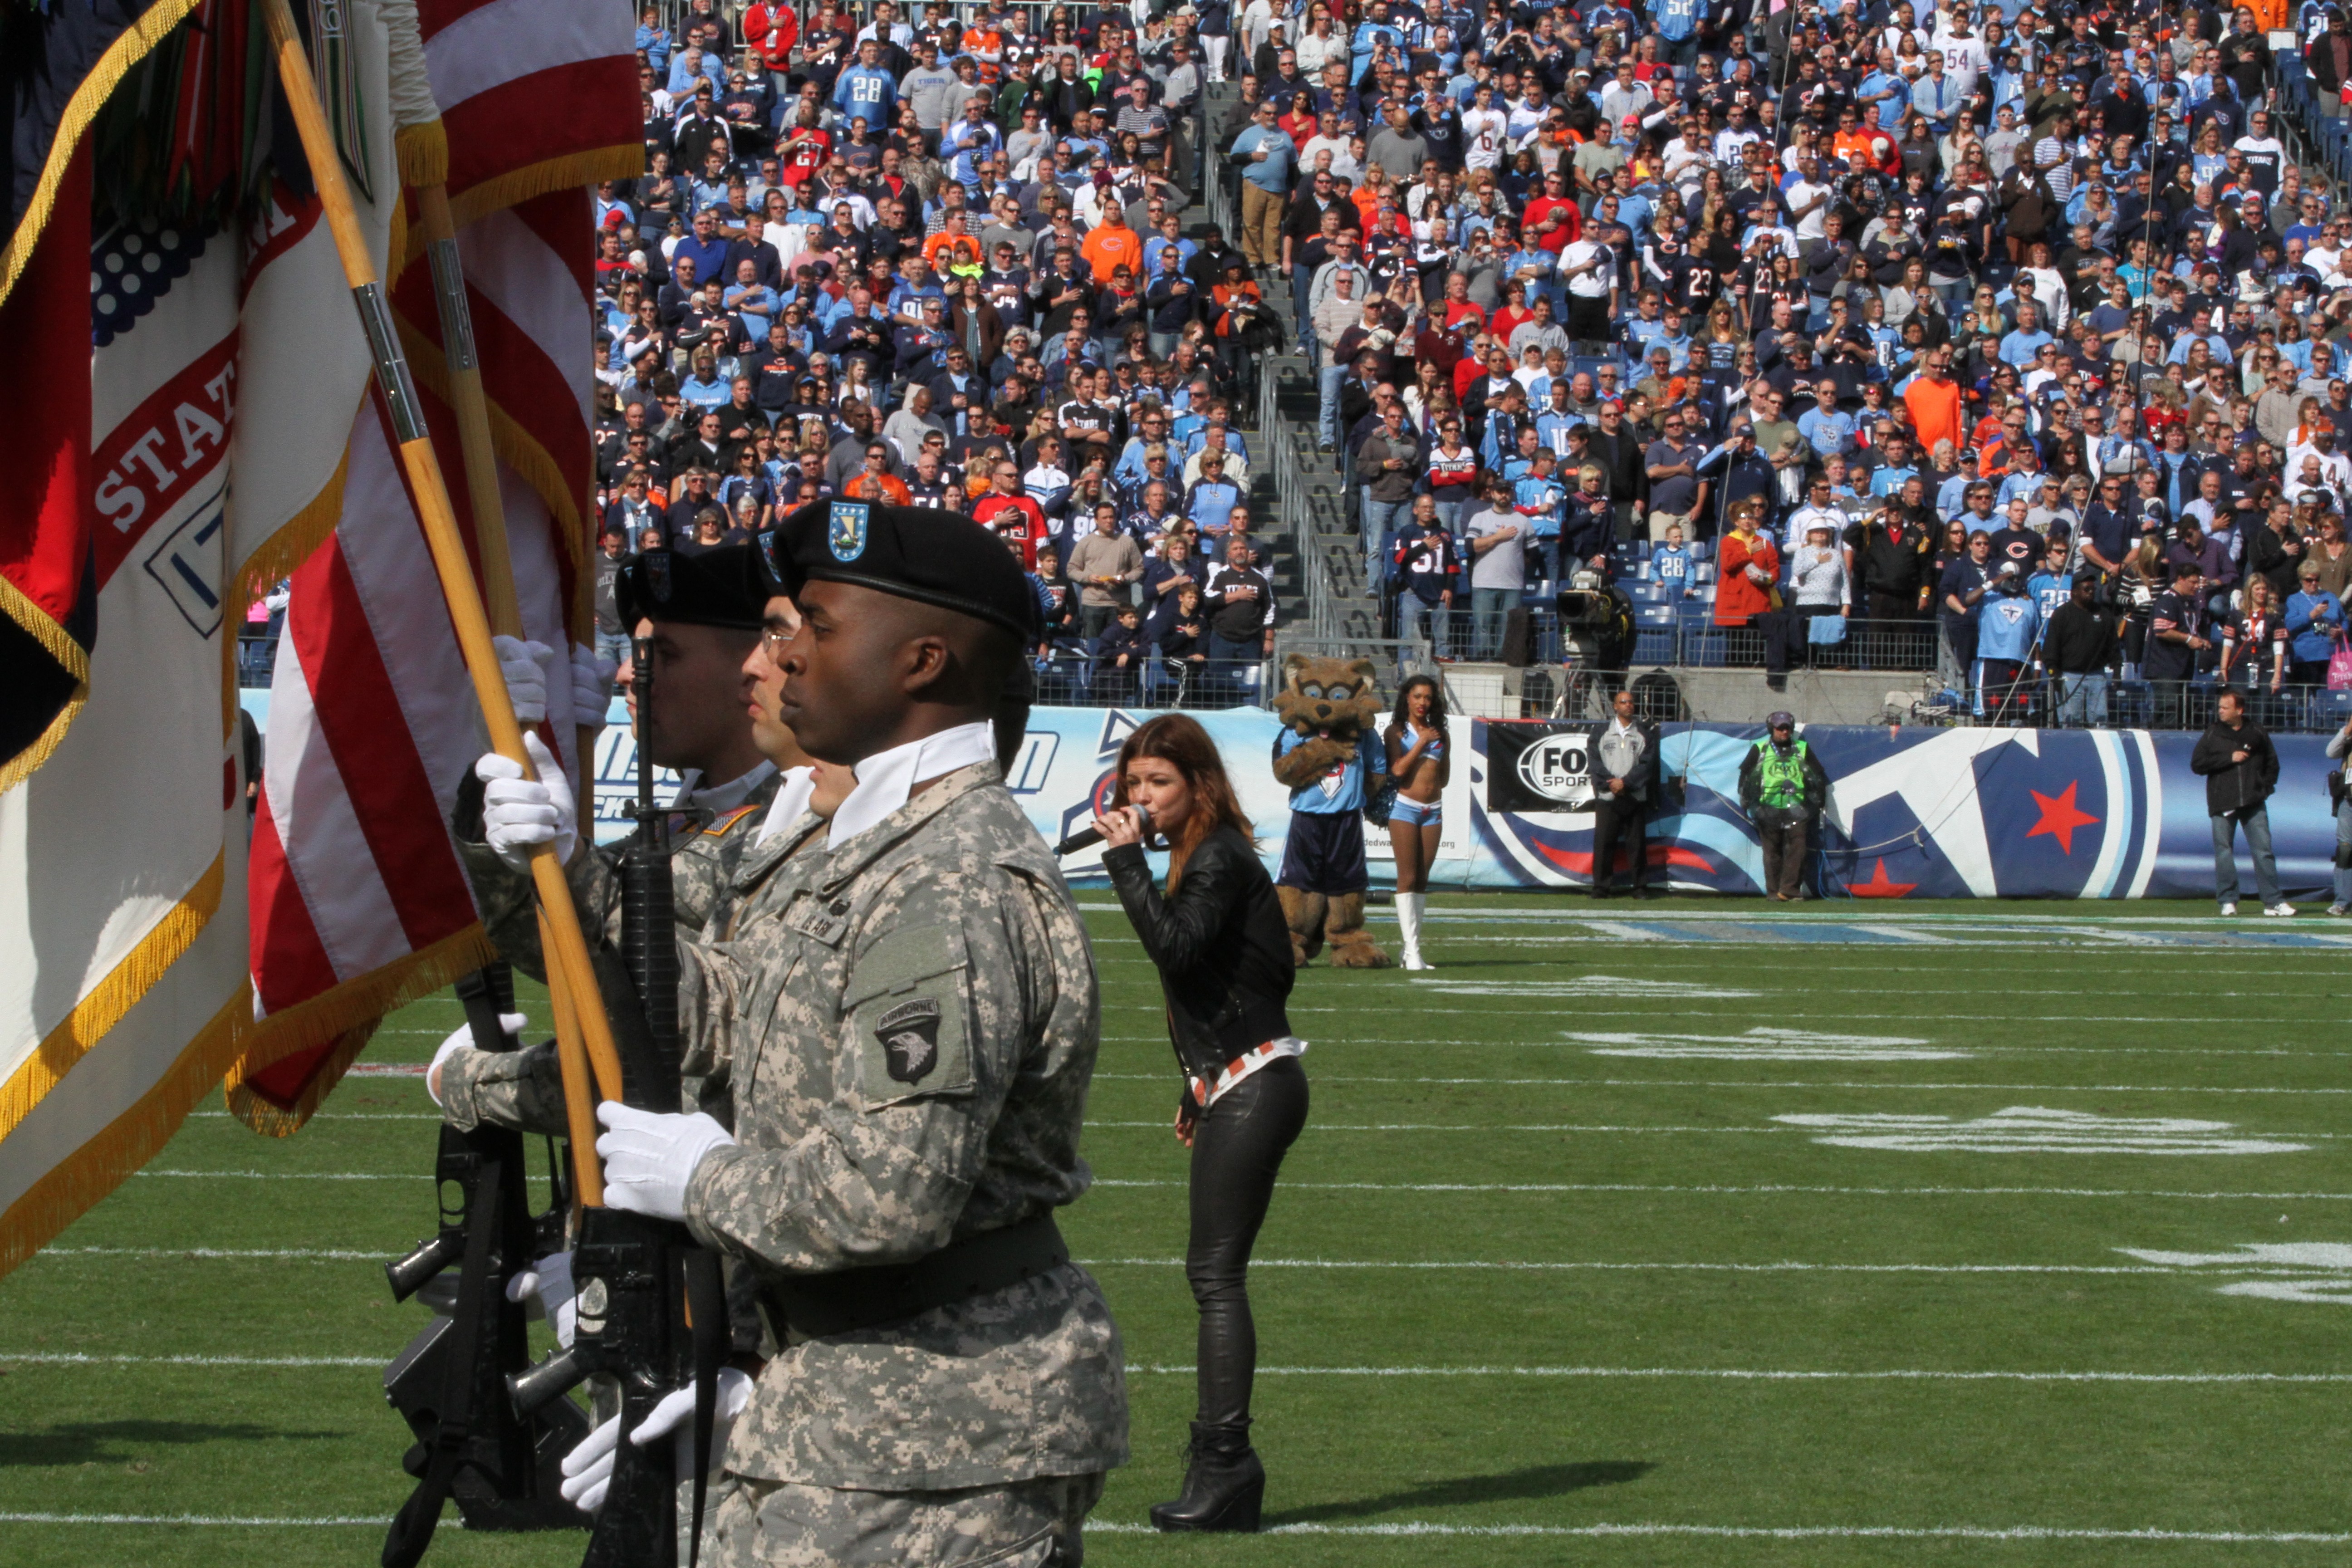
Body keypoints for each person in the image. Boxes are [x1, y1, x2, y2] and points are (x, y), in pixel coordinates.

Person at [447, 500, 1129, 1564]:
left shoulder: (941, 880)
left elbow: (884, 1194)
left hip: (933, 1427)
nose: (785, 651)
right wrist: (536, 857)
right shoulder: (871, 850)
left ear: (920, 660)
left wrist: (700, 1175)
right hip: (843, 1396)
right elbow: (710, 1009)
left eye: (815, 622)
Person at [1093, 714, 1306, 1533]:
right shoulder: (1203, 854)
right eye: (1133, 783)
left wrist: (1119, 861)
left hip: (1257, 1082)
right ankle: (1224, 1470)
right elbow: (1239, 977)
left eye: (1159, 784)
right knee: (1210, 1274)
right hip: (1239, 1078)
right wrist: (1198, 1076)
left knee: (1214, 1276)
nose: (1141, 798)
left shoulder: (1214, 856)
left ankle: (1224, 1465)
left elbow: (1176, 951)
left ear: (1199, 787)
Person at [2191, 686, 2293, 918]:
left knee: (2263, 851)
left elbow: (2272, 764)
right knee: (2224, 852)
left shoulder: (2257, 731)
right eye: (2219, 708)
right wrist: (2229, 758)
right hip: (2222, 802)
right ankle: (2228, 900)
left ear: (2240, 709)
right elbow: (2198, 764)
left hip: (2253, 801)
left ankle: (2273, 902)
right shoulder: (2213, 733)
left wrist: (2264, 789)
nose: (2221, 712)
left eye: (2226, 708)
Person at [1382, 674, 1448, 969]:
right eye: (1417, 696)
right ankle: (1411, 951)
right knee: (1407, 877)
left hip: (1433, 809)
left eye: (1428, 698)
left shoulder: (1440, 733)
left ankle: (1412, 950)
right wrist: (1421, 742)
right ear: (1407, 698)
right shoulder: (1395, 731)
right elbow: (1397, 770)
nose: (1423, 703)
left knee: (1422, 878)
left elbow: (1444, 776)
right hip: (1405, 808)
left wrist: (1432, 785)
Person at [1738, 711, 1827, 902]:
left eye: (1787, 728)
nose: (1784, 732)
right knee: (1772, 852)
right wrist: (1746, 800)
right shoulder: (1760, 748)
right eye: (1780, 728)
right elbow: (1745, 775)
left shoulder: (1802, 748)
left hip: (1797, 808)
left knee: (1798, 850)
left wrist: (1819, 801)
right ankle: (1773, 891)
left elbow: (1818, 776)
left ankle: (1790, 890)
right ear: (1772, 729)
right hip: (1768, 806)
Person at [1588, 687, 1659, 899]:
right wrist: (1611, 783)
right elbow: (1594, 763)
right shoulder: (1600, 733)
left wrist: (1626, 783)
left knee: (1636, 845)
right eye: (1624, 702)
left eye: (1631, 702)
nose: (1629, 705)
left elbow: (1647, 765)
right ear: (1615, 706)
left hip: (1634, 797)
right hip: (1608, 797)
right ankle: (1601, 887)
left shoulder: (1644, 733)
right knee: (1604, 844)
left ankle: (1640, 887)